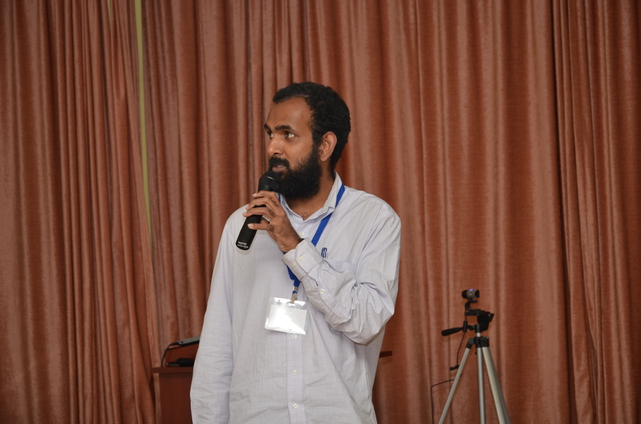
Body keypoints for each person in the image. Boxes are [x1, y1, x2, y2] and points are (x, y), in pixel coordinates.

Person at [190, 81, 401, 423]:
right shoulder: (242, 225)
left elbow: (366, 323)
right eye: (270, 133)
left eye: (287, 135)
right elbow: (217, 345)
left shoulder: (374, 220)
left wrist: (295, 246)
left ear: (325, 145)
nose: (272, 147)